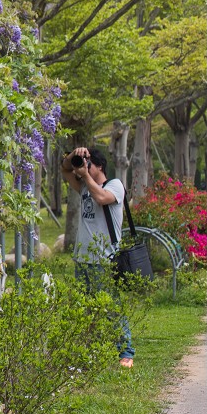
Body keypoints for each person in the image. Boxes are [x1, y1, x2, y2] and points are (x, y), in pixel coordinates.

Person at [61, 146, 135, 368]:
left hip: (103, 259)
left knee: (111, 307)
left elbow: (102, 198)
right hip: (82, 258)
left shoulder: (115, 186)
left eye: (88, 163)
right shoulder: (84, 187)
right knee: (85, 309)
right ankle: (89, 351)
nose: (83, 167)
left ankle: (127, 352)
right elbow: (65, 171)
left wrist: (85, 176)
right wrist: (74, 154)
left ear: (99, 166)